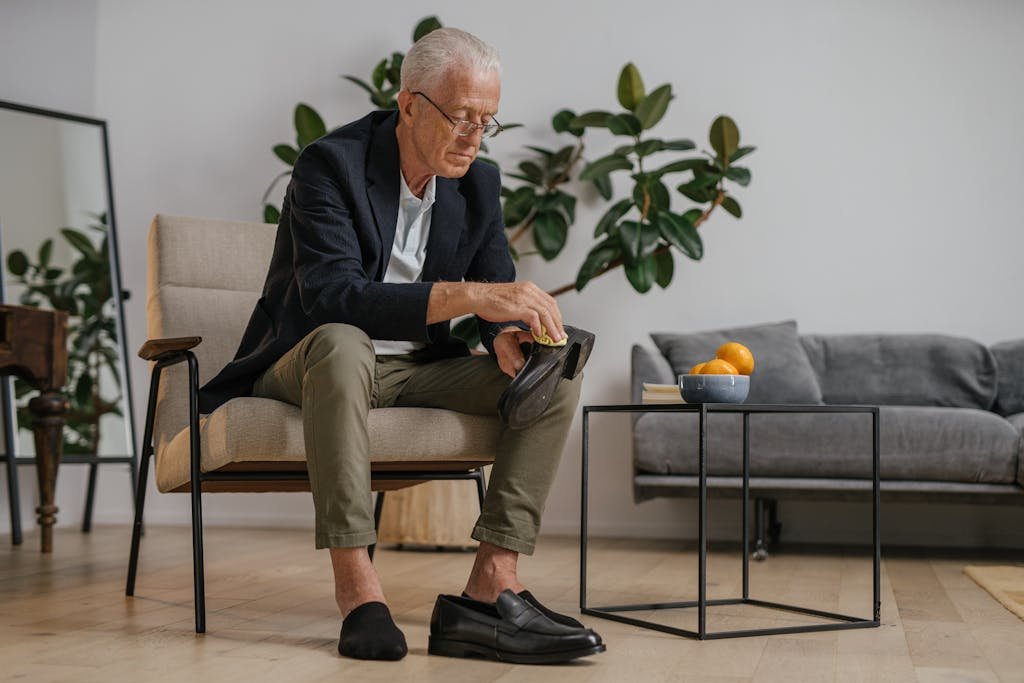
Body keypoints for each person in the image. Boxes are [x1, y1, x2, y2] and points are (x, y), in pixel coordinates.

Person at [199, 27, 602, 664]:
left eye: (488, 120)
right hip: (311, 362)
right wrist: (474, 299)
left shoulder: (479, 183)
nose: (474, 136)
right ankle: (358, 590)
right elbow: (334, 296)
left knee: (557, 371)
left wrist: (507, 338)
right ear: (410, 104)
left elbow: (495, 283)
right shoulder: (329, 165)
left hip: (417, 368)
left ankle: (491, 587)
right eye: (462, 116)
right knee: (342, 341)